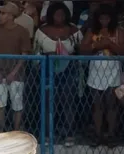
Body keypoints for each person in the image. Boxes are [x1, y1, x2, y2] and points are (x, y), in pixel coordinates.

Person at [35, 2, 82, 146]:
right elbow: (36, 52)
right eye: (56, 14)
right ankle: (49, 134)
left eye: (62, 14)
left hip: (69, 70)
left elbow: (82, 49)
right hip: (47, 70)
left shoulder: (73, 30)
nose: (59, 17)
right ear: (50, 15)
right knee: (49, 102)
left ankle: (69, 133)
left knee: (68, 101)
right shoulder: (42, 31)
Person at [81, 6, 124, 144]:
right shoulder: (92, 31)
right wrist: (98, 45)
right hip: (95, 70)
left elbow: (123, 51)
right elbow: (83, 49)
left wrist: (109, 44)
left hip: (113, 70)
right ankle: (98, 134)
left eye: (107, 18)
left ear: (111, 19)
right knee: (97, 103)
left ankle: (111, 134)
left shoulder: (119, 32)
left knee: (111, 103)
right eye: (101, 18)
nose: (104, 21)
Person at [0, 2, 32, 133]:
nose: (0, 15)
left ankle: (16, 130)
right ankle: (0, 128)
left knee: (17, 104)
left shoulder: (22, 31)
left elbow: (24, 54)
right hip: (0, 72)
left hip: (17, 75)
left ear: (10, 16)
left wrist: (14, 73)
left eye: (3, 13)